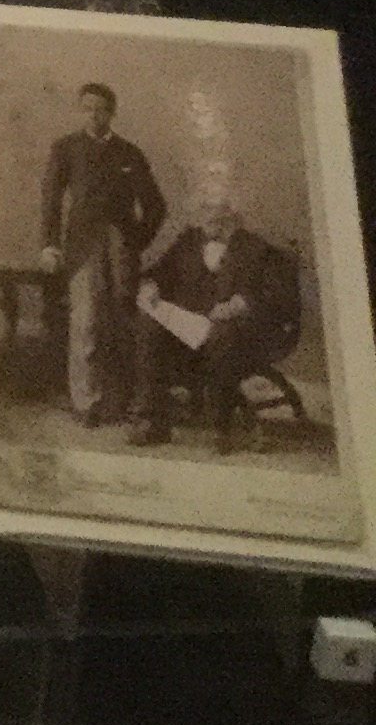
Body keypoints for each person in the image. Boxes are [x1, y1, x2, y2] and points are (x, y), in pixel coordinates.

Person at [131, 188, 303, 453]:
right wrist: (151, 285)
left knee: (223, 335)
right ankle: (151, 421)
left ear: (232, 216)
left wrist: (240, 303)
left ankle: (221, 426)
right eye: (204, 213)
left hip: (239, 331)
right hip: (190, 328)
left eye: (216, 215)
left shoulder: (256, 249)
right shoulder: (188, 242)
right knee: (149, 325)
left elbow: (279, 296)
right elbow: (159, 272)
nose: (208, 221)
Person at [37, 81, 166, 428]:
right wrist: (49, 245)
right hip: (82, 249)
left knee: (122, 321)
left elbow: (155, 206)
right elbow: (51, 201)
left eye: (101, 109)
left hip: (121, 250)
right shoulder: (66, 148)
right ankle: (87, 402)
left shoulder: (130, 153)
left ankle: (120, 400)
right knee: (86, 322)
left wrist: (135, 241)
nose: (94, 115)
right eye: (87, 108)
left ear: (112, 113)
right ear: (81, 111)